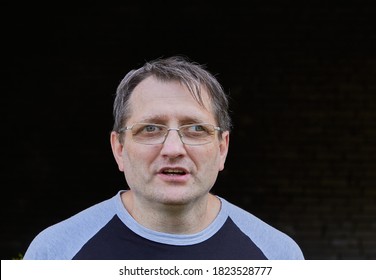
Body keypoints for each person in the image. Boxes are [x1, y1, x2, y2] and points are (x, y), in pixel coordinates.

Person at [23, 55, 304, 260]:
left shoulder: (278, 256)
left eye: (196, 129)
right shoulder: (55, 253)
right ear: (119, 148)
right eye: (150, 128)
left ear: (222, 148)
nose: (173, 149)